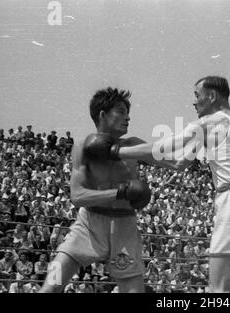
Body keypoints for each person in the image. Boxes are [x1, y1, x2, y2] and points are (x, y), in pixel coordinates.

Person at [85, 76, 230, 292]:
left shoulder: (208, 123)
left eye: (197, 96)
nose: (194, 102)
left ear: (212, 96)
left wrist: (115, 151)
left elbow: (164, 146)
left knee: (218, 288)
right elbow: (179, 163)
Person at [39, 87, 152, 293]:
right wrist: (121, 192)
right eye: (121, 111)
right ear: (102, 115)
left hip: (125, 228)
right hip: (87, 226)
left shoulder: (134, 145)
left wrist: (197, 137)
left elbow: (174, 162)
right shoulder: (82, 147)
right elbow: (77, 195)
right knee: (51, 284)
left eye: (128, 113)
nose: (127, 118)